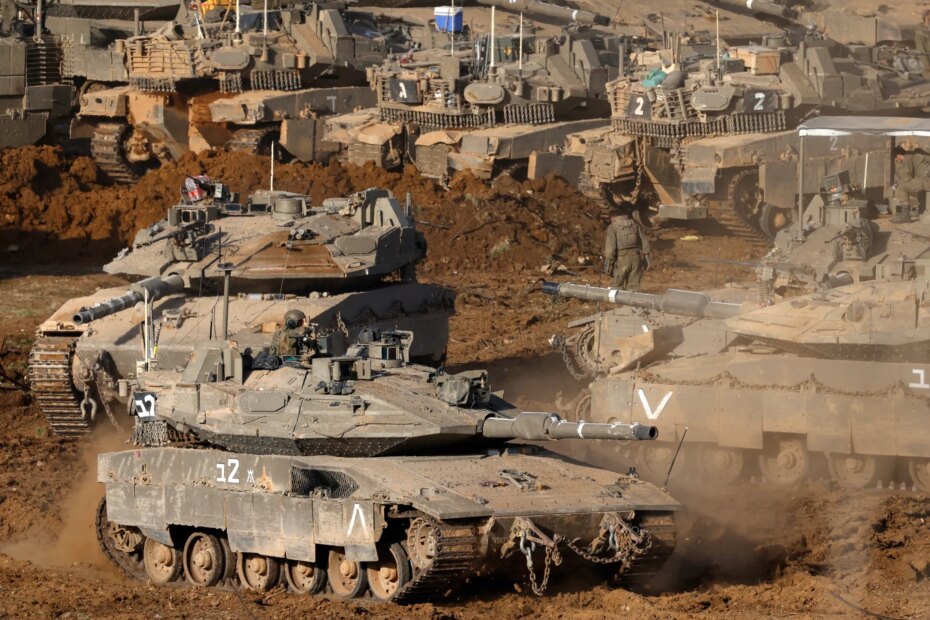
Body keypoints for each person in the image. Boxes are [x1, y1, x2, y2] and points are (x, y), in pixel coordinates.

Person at [604, 205, 650, 291]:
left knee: (617, 285)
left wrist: (607, 262)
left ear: (613, 218)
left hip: (621, 260)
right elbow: (644, 241)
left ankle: (619, 300)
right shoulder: (634, 224)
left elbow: (610, 248)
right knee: (633, 287)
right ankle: (631, 300)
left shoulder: (613, 227)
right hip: (636, 258)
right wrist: (646, 256)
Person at [894, 141, 930, 219]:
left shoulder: (907, 156)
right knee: (915, 185)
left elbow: (906, 178)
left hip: (926, 180)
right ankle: (917, 211)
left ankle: (905, 215)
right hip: (926, 179)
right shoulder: (920, 154)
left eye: (896, 157)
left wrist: (898, 164)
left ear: (899, 155)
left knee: (902, 187)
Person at [916, 10, 930, 79]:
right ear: (926, 17)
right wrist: (926, 64)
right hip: (926, 57)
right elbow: (920, 47)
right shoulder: (920, 29)